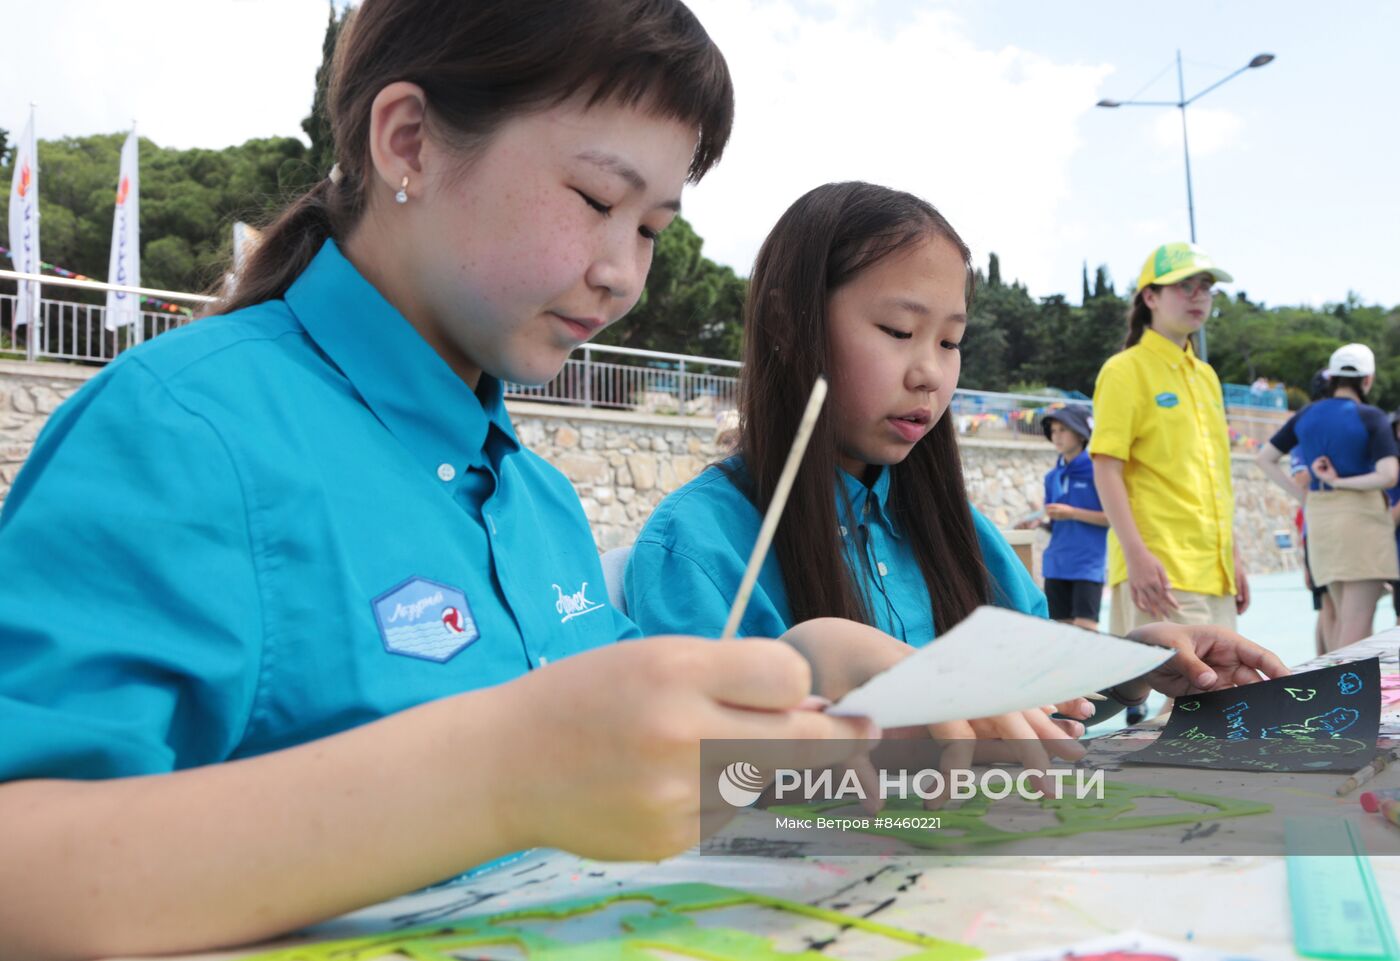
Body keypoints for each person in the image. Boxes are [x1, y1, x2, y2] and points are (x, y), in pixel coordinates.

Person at [0, 4, 892, 957]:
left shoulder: (540, 501)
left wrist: (811, 673)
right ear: (409, 142)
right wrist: (503, 772)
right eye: (597, 200)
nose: (622, 274)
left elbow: (630, 778)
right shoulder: (182, 431)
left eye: (652, 229)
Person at [627, 184, 1287, 730]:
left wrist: (1127, 661)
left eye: (949, 341)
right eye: (898, 331)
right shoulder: (698, 546)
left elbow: (1042, 686)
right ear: (784, 325)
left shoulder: (961, 535)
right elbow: (707, 777)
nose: (930, 375)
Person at [1090, 243, 1250, 635]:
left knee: (1221, 692)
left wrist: (1234, 558)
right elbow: (1106, 468)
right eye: (1185, 285)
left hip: (1215, 574)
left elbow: (1216, 480)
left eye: (1206, 286)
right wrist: (1135, 555)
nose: (1199, 296)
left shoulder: (1206, 377)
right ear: (1150, 297)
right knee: (1202, 690)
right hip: (1161, 569)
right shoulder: (1125, 370)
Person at [1257, 344, 1399, 649]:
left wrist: (1303, 495)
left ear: (1332, 377)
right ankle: (1345, 693)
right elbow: (1388, 475)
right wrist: (1341, 481)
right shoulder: (1371, 416)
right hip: (1360, 516)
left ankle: (1335, 690)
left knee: (1336, 613)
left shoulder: (1306, 415)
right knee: (1358, 619)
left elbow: (1265, 458)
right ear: (1367, 380)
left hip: (1320, 517)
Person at [1036, 405, 1108, 631]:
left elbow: (1112, 518)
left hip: (1088, 564)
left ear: (1080, 434)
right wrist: (1041, 523)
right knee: (1061, 633)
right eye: (1054, 430)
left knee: (1087, 631)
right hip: (1056, 564)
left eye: (1063, 430)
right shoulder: (1052, 477)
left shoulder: (1099, 471)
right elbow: (1057, 522)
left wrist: (1072, 513)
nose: (1057, 436)